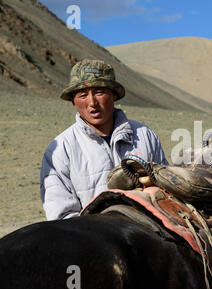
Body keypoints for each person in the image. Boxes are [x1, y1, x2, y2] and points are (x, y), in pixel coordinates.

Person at [40, 59, 168, 220]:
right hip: (94, 241)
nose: (92, 103)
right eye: (83, 95)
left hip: (148, 236)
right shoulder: (60, 150)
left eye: (99, 92)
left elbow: (166, 193)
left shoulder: (145, 136)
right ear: (73, 100)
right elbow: (61, 216)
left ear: (113, 95)